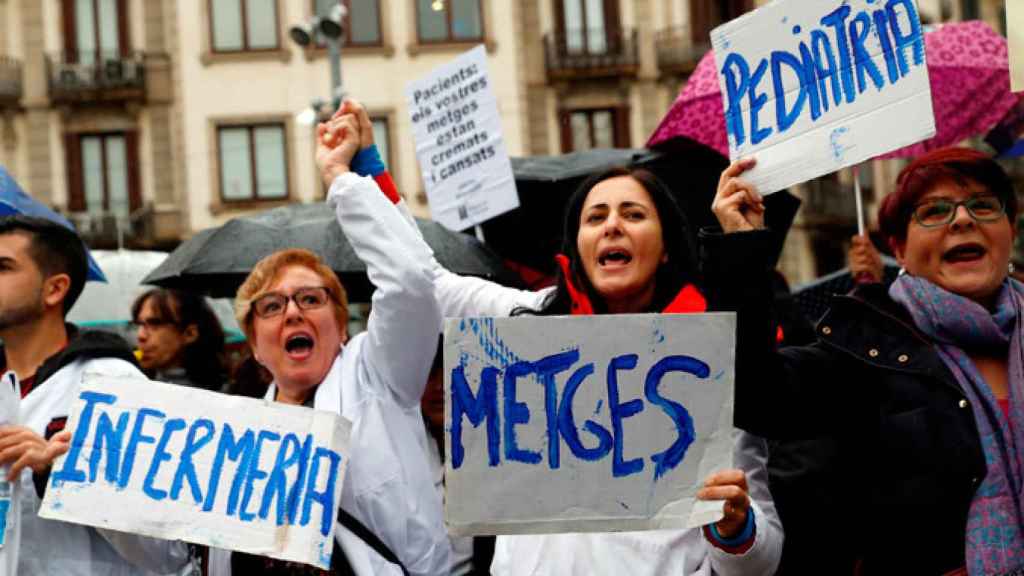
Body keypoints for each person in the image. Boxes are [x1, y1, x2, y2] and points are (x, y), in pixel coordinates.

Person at [322, 99, 783, 576]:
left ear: (666, 247)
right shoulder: (528, 325)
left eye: (633, 214)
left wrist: (736, 529)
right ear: (578, 248)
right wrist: (356, 175)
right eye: (595, 216)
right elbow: (428, 281)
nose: (612, 226)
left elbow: (762, 561)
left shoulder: (712, 356)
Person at [706, 147, 1020, 574]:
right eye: (934, 211)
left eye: (983, 205)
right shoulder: (865, 348)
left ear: (1011, 229)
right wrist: (743, 250)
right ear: (899, 249)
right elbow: (758, 396)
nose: (963, 220)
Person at [207, 115, 450, 575]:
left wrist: (343, 177)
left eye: (310, 299)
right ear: (255, 345)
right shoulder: (233, 436)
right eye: (272, 306)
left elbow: (411, 283)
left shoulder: (376, 372)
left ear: (342, 328)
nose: (294, 313)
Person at [0, 215, 190, 575]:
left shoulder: (114, 384)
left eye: (3, 267)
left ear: (54, 289)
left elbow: (168, 551)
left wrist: (59, 474)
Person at [131, 288, 227, 391]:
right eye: (139, 324)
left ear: (190, 334)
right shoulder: (134, 383)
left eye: (155, 323)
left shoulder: (221, 397)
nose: (141, 335)